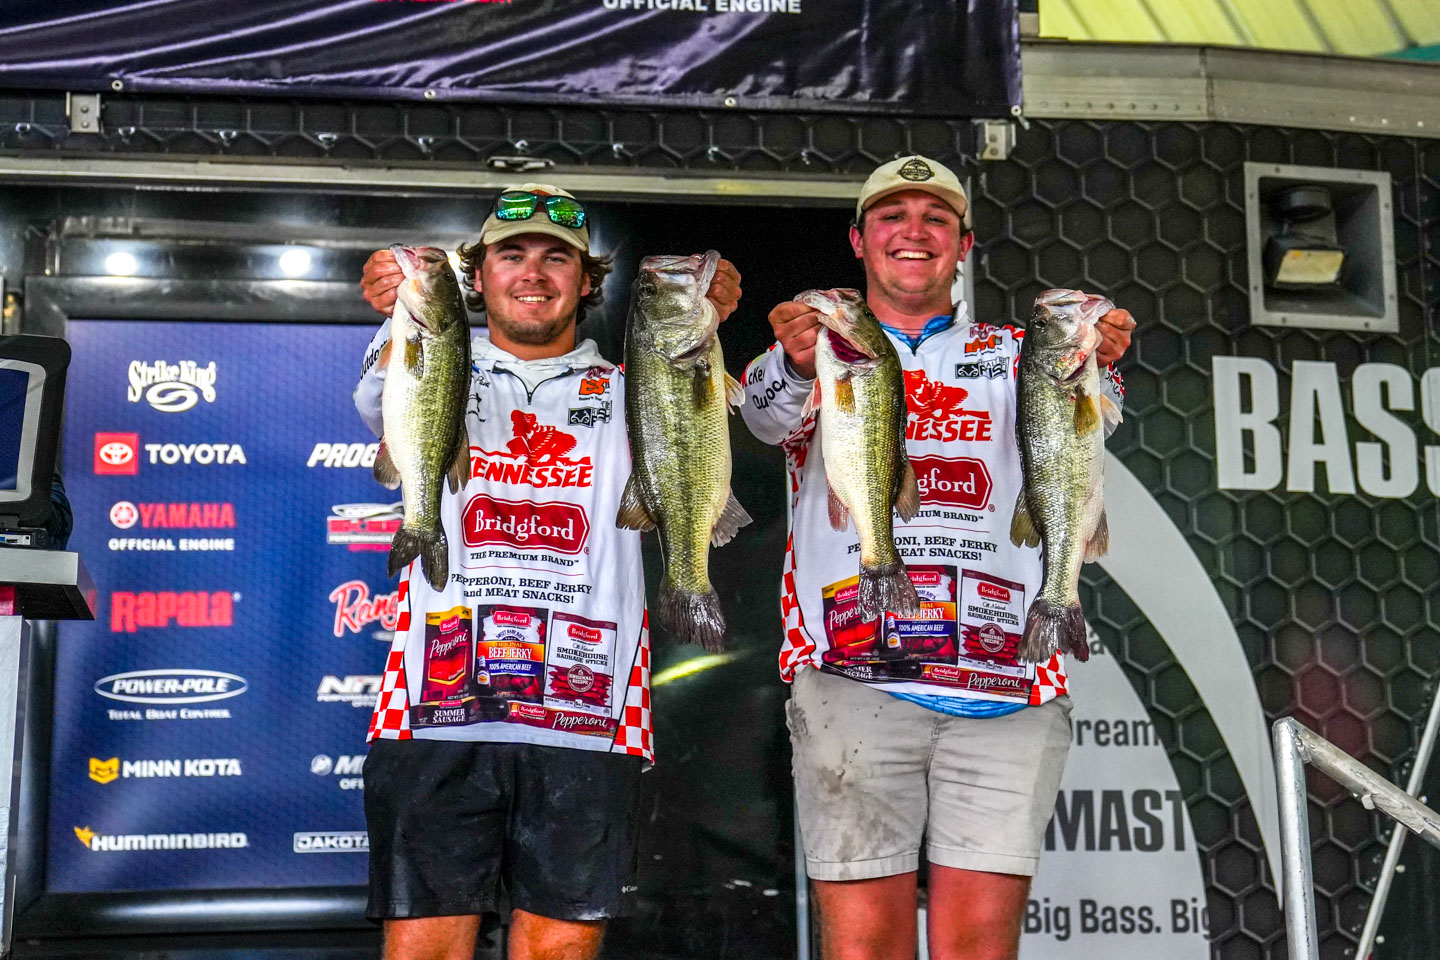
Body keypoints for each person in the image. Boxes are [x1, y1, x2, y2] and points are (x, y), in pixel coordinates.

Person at [739, 156, 1135, 960]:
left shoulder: (1022, 352)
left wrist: (1103, 358)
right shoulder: (821, 354)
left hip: (1006, 682)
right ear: (859, 239)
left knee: (980, 950)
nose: (913, 231)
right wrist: (792, 363)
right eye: (892, 216)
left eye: (935, 218)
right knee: (862, 949)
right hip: (852, 674)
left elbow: (1103, 419)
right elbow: (762, 418)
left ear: (964, 244)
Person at [354, 183, 741, 960]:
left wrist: (714, 321)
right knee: (424, 949)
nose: (533, 273)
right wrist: (394, 310)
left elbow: (742, 418)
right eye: (512, 255)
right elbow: (376, 398)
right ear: (477, 276)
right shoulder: (434, 365)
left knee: (556, 953)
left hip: (589, 712)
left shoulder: (639, 388)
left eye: (556, 257)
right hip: (435, 705)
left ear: (588, 281)